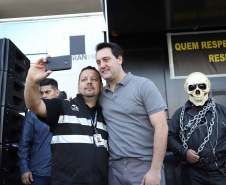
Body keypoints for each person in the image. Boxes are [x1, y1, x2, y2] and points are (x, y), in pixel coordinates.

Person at [24, 60, 108, 185]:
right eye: (84, 79)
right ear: (78, 86)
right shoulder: (62, 106)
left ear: (101, 86)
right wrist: (31, 81)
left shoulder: (107, 114)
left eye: (94, 79)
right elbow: (34, 105)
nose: (89, 81)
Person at [95, 42, 168, 185]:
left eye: (106, 59)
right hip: (114, 169)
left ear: (119, 59)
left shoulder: (143, 86)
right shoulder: (102, 95)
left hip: (144, 167)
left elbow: (162, 127)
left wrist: (155, 170)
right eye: (98, 62)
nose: (102, 65)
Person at [168, 72, 226, 185]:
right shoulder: (179, 115)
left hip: (220, 171)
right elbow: (170, 137)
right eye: (192, 88)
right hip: (193, 174)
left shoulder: (222, 112)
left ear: (207, 87)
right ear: (187, 90)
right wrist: (184, 153)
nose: (198, 91)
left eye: (202, 86)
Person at [18, 78, 60, 185]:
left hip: (62, 172)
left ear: (57, 93)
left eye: (47, 92)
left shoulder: (66, 111)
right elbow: (24, 143)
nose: (44, 96)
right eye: (41, 93)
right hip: (39, 173)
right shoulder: (32, 114)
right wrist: (24, 168)